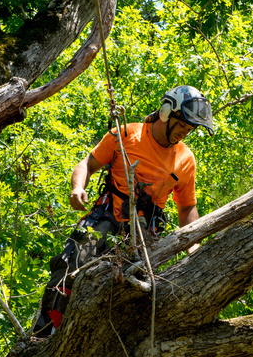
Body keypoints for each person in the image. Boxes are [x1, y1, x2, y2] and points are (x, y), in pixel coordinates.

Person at [31, 85, 215, 338]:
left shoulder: (185, 159)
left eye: (191, 128)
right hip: (106, 216)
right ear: (165, 112)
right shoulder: (127, 134)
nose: (186, 132)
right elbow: (88, 163)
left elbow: (187, 208)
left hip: (143, 233)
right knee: (70, 267)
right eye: (183, 124)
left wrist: (193, 246)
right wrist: (77, 188)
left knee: (133, 293)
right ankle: (43, 334)